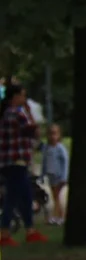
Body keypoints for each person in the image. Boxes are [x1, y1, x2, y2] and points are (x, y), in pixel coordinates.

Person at [0, 85, 45, 247]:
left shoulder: (7, 114)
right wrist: (30, 114)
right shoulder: (17, 113)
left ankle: (30, 231)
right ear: (15, 97)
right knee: (12, 197)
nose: (24, 100)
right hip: (16, 161)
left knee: (25, 195)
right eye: (22, 96)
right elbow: (35, 131)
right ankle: (4, 232)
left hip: (11, 161)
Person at [41, 124, 69, 225]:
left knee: (56, 196)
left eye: (54, 134)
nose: (52, 136)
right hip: (51, 176)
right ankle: (59, 216)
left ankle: (57, 217)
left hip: (59, 176)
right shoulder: (46, 148)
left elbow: (65, 162)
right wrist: (42, 175)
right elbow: (44, 162)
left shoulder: (60, 148)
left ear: (59, 135)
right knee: (55, 197)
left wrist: (64, 177)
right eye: (50, 134)